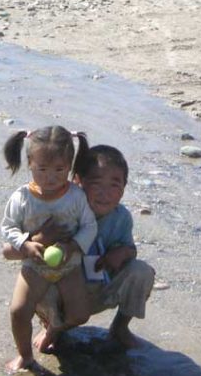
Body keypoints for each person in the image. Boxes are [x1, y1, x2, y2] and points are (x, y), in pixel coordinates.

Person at [27, 145, 156, 351]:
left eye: (115, 185)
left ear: (124, 188)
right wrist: (41, 238)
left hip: (99, 288)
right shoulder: (64, 212)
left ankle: (120, 327)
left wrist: (121, 253)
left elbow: (131, 250)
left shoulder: (121, 217)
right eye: (96, 184)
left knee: (141, 271)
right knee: (35, 281)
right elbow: (28, 253)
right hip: (62, 292)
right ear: (78, 181)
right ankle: (53, 326)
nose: (105, 193)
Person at [0, 126, 97, 373]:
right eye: (42, 169)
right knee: (18, 311)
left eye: (59, 170)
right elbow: (8, 228)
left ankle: (52, 328)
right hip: (34, 266)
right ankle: (25, 356)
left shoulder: (75, 196)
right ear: (30, 163)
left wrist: (73, 246)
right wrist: (26, 243)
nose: (50, 177)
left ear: (70, 167)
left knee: (80, 315)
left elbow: (89, 226)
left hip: (69, 265)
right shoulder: (21, 197)